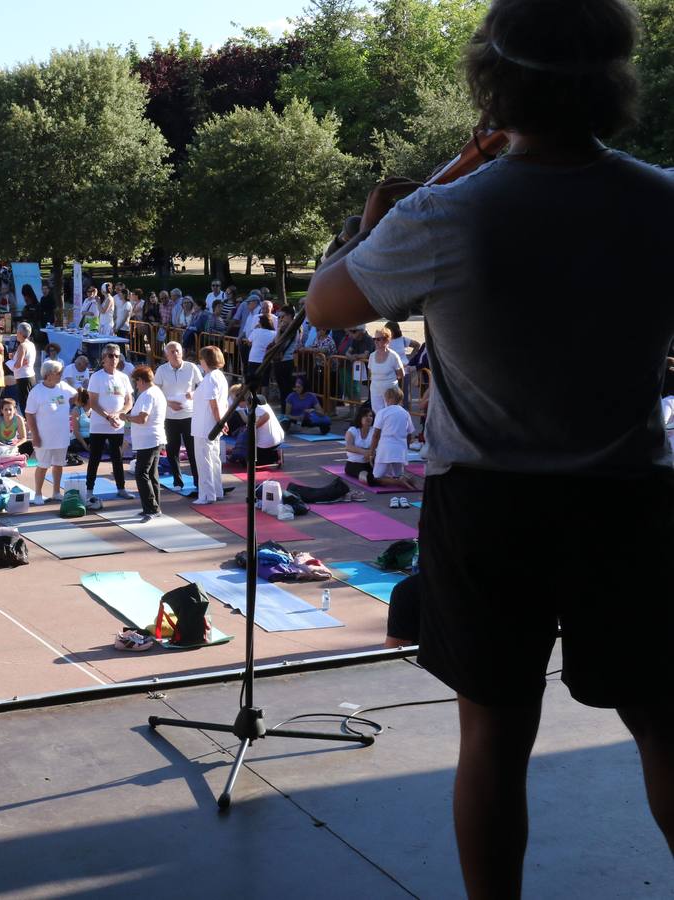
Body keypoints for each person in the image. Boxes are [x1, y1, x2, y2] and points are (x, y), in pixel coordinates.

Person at [305, 1, 674, 892]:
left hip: (489, 509)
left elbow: (324, 305)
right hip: (630, 498)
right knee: (664, 722)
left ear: (493, 84)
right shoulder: (662, 200)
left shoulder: (445, 215)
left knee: (495, 736)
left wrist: (372, 224)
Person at [84, 345, 134, 510]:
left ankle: (121, 488)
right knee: (95, 458)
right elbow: (93, 402)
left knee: (117, 458)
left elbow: (129, 401)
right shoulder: (97, 377)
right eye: (111, 356)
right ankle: (89, 490)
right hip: (99, 425)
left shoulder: (123, 377)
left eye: (117, 356)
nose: (114, 359)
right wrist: (107, 416)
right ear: (104, 358)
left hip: (117, 425)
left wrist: (119, 414)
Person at [25, 359, 77, 506]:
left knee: (59, 464)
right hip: (44, 436)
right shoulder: (36, 392)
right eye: (58, 372)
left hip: (61, 434)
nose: (61, 374)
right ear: (48, 374)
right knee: (42, 465)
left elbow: (76, 396)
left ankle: (56, 492)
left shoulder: (63, 386)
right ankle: (38, 494)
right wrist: (35, 435)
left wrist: (79, 401)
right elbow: (29, 414)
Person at [155, 342, 203, 493]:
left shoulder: (192, 367)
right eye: (171, 352)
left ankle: (198, 481)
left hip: (189, 415)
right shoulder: (161, 370)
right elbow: (155, 392)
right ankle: (177, 480)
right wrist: (169, 403)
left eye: (177, 351)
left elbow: (202, 386)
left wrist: (193, 394)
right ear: (166, 355)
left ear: (182, 352)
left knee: (193, 450)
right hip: (169, 417)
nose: (175, 354)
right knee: (172, 450)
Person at [127, 366, 167, 519]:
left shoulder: (147, 395)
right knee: (151, 473)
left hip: (148, 440)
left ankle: (151, 508)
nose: (136, 385)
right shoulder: (157, 392)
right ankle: (154, 506)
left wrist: (127, 417)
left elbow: (142, 418)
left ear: (141, 380)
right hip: (154, 438)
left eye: (136, 382)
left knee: (142, 473)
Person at [191, 346, 229, 505]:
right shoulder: (219, 376)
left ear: (205, 360)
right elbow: (222, 403)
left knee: (204, 460)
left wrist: (221, 422)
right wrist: (222, 421)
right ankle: (216, 491)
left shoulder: (210, 378)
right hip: (211, 424)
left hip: (205, 425)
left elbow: (214, 404)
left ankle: (206, 495)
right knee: (214, 459)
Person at [369, 386, 421, 490]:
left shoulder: (382, 412)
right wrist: (405, 447)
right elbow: (409, 433)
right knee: (398, 474)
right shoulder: (405, 413)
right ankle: (404, 479)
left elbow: (376, 435)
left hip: (385, 448)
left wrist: (372, 452)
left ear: (388, 398)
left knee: (375, 478)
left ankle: (398, 481)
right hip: (400, 448)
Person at [226, 385, 285, 468]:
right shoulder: (258, 401)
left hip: (267, 441)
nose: (238, 405)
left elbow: (266, 416)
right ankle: (274, 453)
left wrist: (252, 427)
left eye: (238, 402)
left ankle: (275, 455)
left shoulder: (254, 404)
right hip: (274, 439)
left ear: (243, 400)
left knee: (245, 462)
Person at [367, 326, 407, 411]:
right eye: (376, 339)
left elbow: (401, 374)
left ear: (388, 339)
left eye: (381, 339)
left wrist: (389, 382)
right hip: (375, 391)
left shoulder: (394, 356)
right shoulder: (372, 356)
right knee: (378, 415)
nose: (378, 342)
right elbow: (370, 373)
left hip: (391, 393)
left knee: (390, 414)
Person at [0, 397, 28, 463]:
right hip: (1, 446)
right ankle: (15, 458)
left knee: (29, 445)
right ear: (2, 410)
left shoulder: (19, 419)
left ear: (14, 410)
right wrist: (6, 447)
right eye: (5, 409)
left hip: (13, 446)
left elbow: (24, 438)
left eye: (10, 409)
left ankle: (13, 457)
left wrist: (15, 445)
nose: (8, 412)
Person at [343, 407, 377, 484]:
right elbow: (348, 447)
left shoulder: (374, 431)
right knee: (368, 479)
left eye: (370, 416)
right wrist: (365, 452)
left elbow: (379, 447)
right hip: (354, 464)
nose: (368, 418)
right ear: (360, 417)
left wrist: (372, 454)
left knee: (380, 474)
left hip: (370, 462)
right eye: (365, 416)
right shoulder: (352, 430)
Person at [10, 322, 37, 410]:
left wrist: (9, 362)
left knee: (24, 405)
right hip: (30, 376)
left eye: (17, 332)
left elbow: (18, 365)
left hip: (23, 378)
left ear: (20, 333)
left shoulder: (22, 346)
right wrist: (14, 356)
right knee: (30, 403)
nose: (16, 334)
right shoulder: (31, 344)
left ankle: (28, 423)